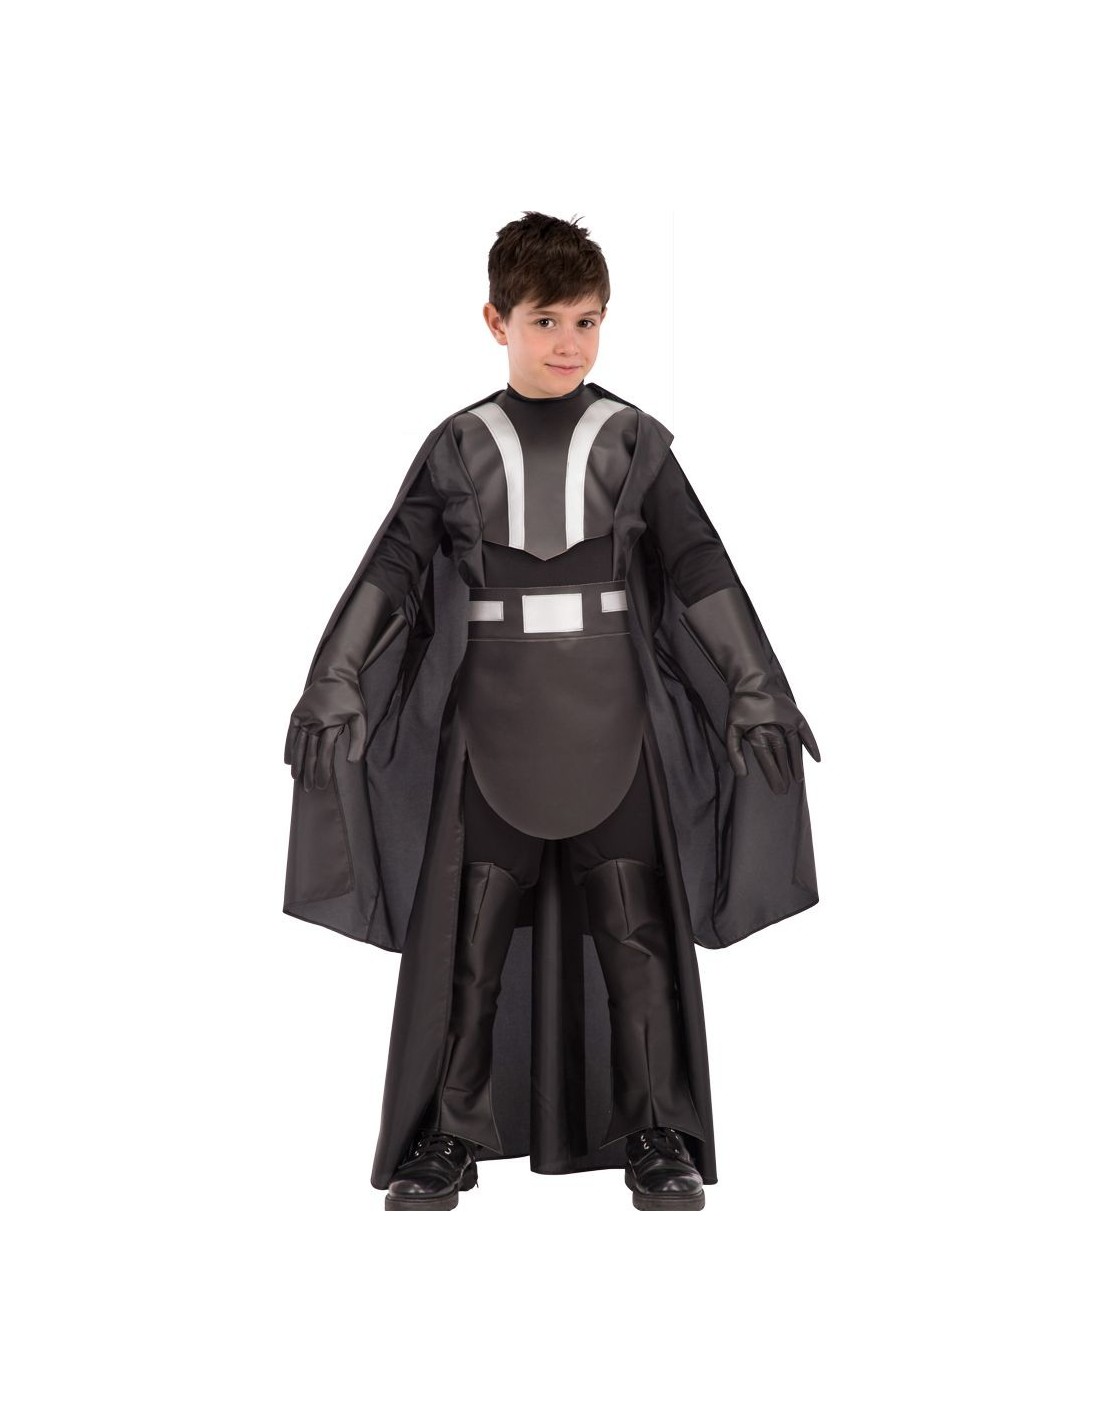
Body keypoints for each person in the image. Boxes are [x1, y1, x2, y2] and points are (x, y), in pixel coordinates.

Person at [283, 212, 821, 1212]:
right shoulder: (458, 445)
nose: (568, 343)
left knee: (635, 933)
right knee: (470, 940)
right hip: (491, 725)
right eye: (545, 320)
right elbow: (393, 568)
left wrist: (755, 681)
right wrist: (337, 673)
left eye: (587, 321)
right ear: (496, 321)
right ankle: (447, 1134)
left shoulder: (631, 440)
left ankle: (655, 1129)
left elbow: (698, 564)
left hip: (613, 721)